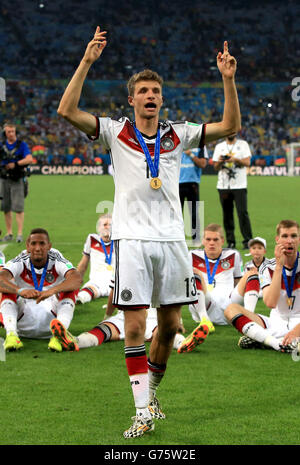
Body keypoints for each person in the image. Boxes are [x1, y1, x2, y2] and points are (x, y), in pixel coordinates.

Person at [57, 26, 241, 438]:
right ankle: (141, 410)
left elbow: (230, 126)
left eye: (155, 90)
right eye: (143, 90)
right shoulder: (114, 131)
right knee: (136, 326)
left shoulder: (178, 134)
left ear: (162, 98)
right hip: (133, 240)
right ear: (132, 98)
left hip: (174, 241)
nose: (150, 96)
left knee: (172, 326)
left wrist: (228, 79)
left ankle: (150, 393)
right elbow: (66, 111)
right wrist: (86, 61)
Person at [0, 228, 82, 352]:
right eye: (33, 244)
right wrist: (20, 290)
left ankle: (60, 336)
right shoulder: (21, 260)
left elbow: (77, 279)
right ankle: (11, 335)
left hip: (52, 322)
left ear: (49, 246)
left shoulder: (56, 258)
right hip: (23, 323)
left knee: (71, 287)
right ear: (28, 247)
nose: (38, 248)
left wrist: (52, 290)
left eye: (42, 244)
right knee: (7, 288)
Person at [224, 220, 300, 352]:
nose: (289, 241)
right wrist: (278, 267)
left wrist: (296, 331)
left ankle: (259, 339)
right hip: (275, 322)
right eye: (284, 236)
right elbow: (270, 303)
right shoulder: (267, 267)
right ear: (277, 239)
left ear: (299, 239)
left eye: (293, 236)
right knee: (230, 310)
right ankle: (275, 343)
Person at [178, 223, 243, 353]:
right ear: (203, 241)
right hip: (205, 305)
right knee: (194, 275)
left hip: (229, 309)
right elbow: (182, 287)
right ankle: (205, 320)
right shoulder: (192, 255)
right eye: (208, 239)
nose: (211, 243)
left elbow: (238, 281)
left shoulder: (233, 255)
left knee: (250, 277)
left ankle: (247, 321)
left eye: (215, 239)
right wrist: (178, 319)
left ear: (222, 241)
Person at [212, 133, 253, 249]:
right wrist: (220, 161)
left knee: (242, 213)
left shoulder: (243, 144)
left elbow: (247, 163)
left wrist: (235, 159)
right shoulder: (219, 146)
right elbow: (215, 167)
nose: (231, 133)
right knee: (227, 214)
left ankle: (248, 241)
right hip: (223, 186)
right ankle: (231, 242)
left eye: (233, 131)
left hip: (239, 186)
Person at [0, 123, 33, 243]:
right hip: (4, 178)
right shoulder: (2, 145)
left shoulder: (21, 145)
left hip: (17, 178)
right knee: (5, 207)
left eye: (13, 131)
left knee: (18, 207)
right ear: (5, 133)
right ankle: (9, 233)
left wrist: (16, 164)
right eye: (8, 132)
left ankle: (19, 234)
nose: (11, 134)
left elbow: (29, 159)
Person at [76, 213, 114, 304]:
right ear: (99, 227)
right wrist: (75, 283)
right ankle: (79, 300)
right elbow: (83, 264)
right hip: (96, 282)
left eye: (110, 225)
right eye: (104, 224)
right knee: (85, 293)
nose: (107, 227)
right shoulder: (92, 239)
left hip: (115, 283)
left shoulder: (120, 241)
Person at [230, 236, 271, 313]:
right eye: (254, 248)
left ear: (264, 251)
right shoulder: (247, 265)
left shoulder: (270, 265)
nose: (256, 251)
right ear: (250, 250)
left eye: (259, 248)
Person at [179, 146, 208, 246]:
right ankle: (178, 240)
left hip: (192, 184)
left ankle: (196, 241)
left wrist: (190, 154)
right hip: (176, 183)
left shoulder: (200, 146)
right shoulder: (178, 141)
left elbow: (203, 164)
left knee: (194, 214)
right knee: (176, 215)